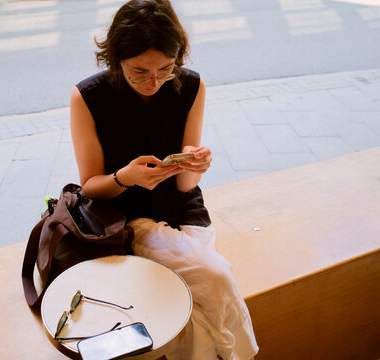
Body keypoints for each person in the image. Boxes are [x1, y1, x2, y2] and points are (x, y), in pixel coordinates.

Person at [70, 0, 258, 358]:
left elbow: (186, 189)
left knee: (203, 294)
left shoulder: (190, 86)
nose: (153, 82)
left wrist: (193, 168)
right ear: (116, 59)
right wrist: (126, 177)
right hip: (122, 216)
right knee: (214, 278)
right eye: (139, 71)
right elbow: (91, 186)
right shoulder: (88, 96)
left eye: (165, 69)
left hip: (181, 208)